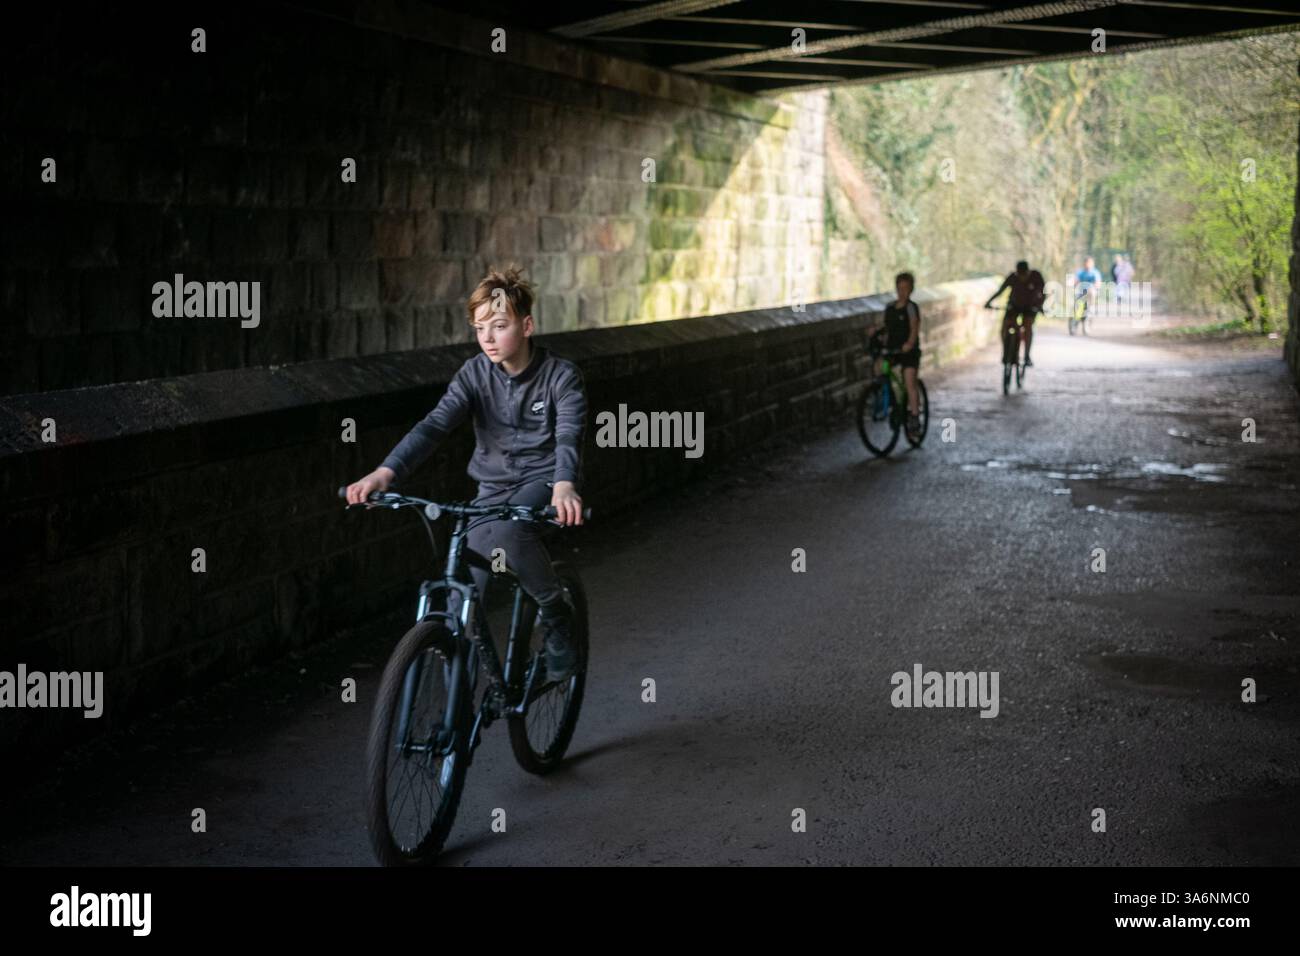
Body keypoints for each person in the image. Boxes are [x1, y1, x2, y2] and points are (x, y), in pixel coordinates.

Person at [345, 266, 588, 681]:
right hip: (491, 488)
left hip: (542, 482)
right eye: (479, 329)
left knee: (511, 534)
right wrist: (386, 473)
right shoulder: (475, 374)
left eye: (499, 325)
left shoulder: (560, 378)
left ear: (526, 325)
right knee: (463, 584)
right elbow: (434, 426)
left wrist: (564, 485)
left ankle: (554, 609)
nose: (488, 338)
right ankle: (456, 706)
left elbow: (568, 436)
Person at [866, 271, 923, 439]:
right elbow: (886, 326)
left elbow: (914, 327)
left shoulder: (911, 308)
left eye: (905, 288)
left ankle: (914, 416)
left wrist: (910, 343)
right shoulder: (890, 308)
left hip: (908, 352)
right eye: (899, 288)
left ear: (911, 290)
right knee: (879, 368)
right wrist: (875, 331)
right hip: (892, 350)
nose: (902, 292)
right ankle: (886, 398)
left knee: (909, 380)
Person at [984, 260, 1044, 367]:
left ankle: (1026, 356)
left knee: (1028, 326)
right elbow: (1001, 290)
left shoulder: (1036, 276)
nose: (1022, 278)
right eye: (1019, 275)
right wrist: (989, 302)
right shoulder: (1013, 277)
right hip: (1014, 305)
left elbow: (1043, 292)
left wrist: (1040, 306)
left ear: (1028, 272)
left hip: (1030, 307)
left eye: (1024, 275)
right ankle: (1007, 351)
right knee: (1005, 326)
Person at [1075, 256, 1103, 321]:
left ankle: (1091, 309)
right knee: (1078, 303)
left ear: (1092, 264)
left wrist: (1095, 285)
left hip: (1091, 292)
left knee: (1091, 292)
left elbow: (1098, 283)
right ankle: (1077, 317)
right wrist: (1074, 283)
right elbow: (1076, 280)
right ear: (1084, 264)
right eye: (1087, 263)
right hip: (1082, 292)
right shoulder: (1080, 272)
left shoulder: (1095, 272)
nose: (1088, 264)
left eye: (1090, 263)